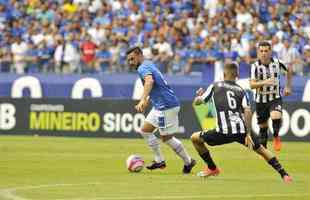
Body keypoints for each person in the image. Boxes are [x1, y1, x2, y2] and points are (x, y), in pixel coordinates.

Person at [190, 63, 292, 183]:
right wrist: (248, 133)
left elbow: (198, 102)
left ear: (223, 74)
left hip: (223, 131)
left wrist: (199, 96)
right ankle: (284, 174)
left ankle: (212, 168)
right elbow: (248, 111)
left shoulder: (215, 86)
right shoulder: (241, 91)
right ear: (237, 75)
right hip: (242, 131)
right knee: (262, 151)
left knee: (194, 138)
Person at [126, 46, 196, 174]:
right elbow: (155, 86)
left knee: (167, 138)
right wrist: (146, 100)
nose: (130, 62)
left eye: (132, 59)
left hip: (165, 106)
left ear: (139, 55)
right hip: (160, 105)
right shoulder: (148, 64)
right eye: (129, 60)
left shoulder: (143, 68)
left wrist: (142, 99)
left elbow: (149, 82)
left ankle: (188, 161)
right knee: (145, 131)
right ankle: (160, 160)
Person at [250, 41, 292, 151]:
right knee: (263, 127)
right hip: (260, 100)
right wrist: (265, 82)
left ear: (270, 52)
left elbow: (289, 71)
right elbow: (252, 85)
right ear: (258, 52)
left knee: (275, 116)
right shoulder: (255, 66)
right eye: (261, 51)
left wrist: (288, 86)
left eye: (266, 51)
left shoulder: (278, 63)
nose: (264, 53)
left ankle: (276, 136)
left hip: (275, 97)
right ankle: (264, 150)